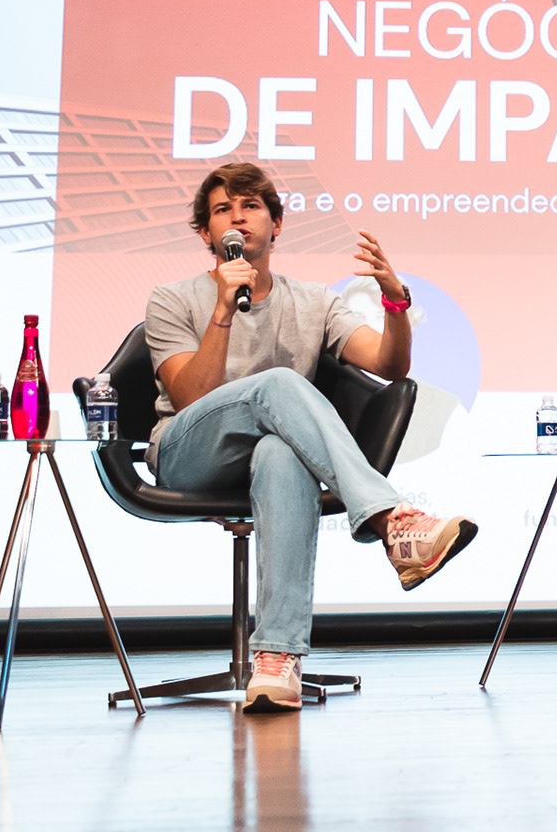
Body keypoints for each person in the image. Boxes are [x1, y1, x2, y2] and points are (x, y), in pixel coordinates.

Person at [146, 162, 479, 713]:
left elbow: (388, 366)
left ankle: (276, 659)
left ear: (276, 224)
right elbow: (190, 398)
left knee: (281, 451)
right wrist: (224, 311)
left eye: (250, 206)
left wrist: (395, 302)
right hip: (188, 453)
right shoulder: (171, 299)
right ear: (206, 232)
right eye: (223, 210)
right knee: (276, 384)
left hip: (263, 457)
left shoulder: (313, 302)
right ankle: (392, 520)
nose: (237, 218)